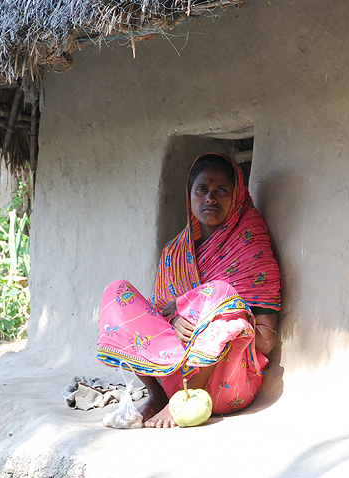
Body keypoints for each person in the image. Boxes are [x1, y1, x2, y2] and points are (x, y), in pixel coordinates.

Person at [96, 153, 281, 427]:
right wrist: (175, 318)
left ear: (237, 195)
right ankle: (159, 396)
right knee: (116, 292)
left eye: (221, 190)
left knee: (220, 292)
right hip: (170, 370)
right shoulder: (174, 252)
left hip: (227, 382)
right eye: (202, 190)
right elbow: (157, 320)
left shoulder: (249, 244)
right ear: (190, 196)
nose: (210, 198)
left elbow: (265, 340)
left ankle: (186, 398)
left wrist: (202, 314)